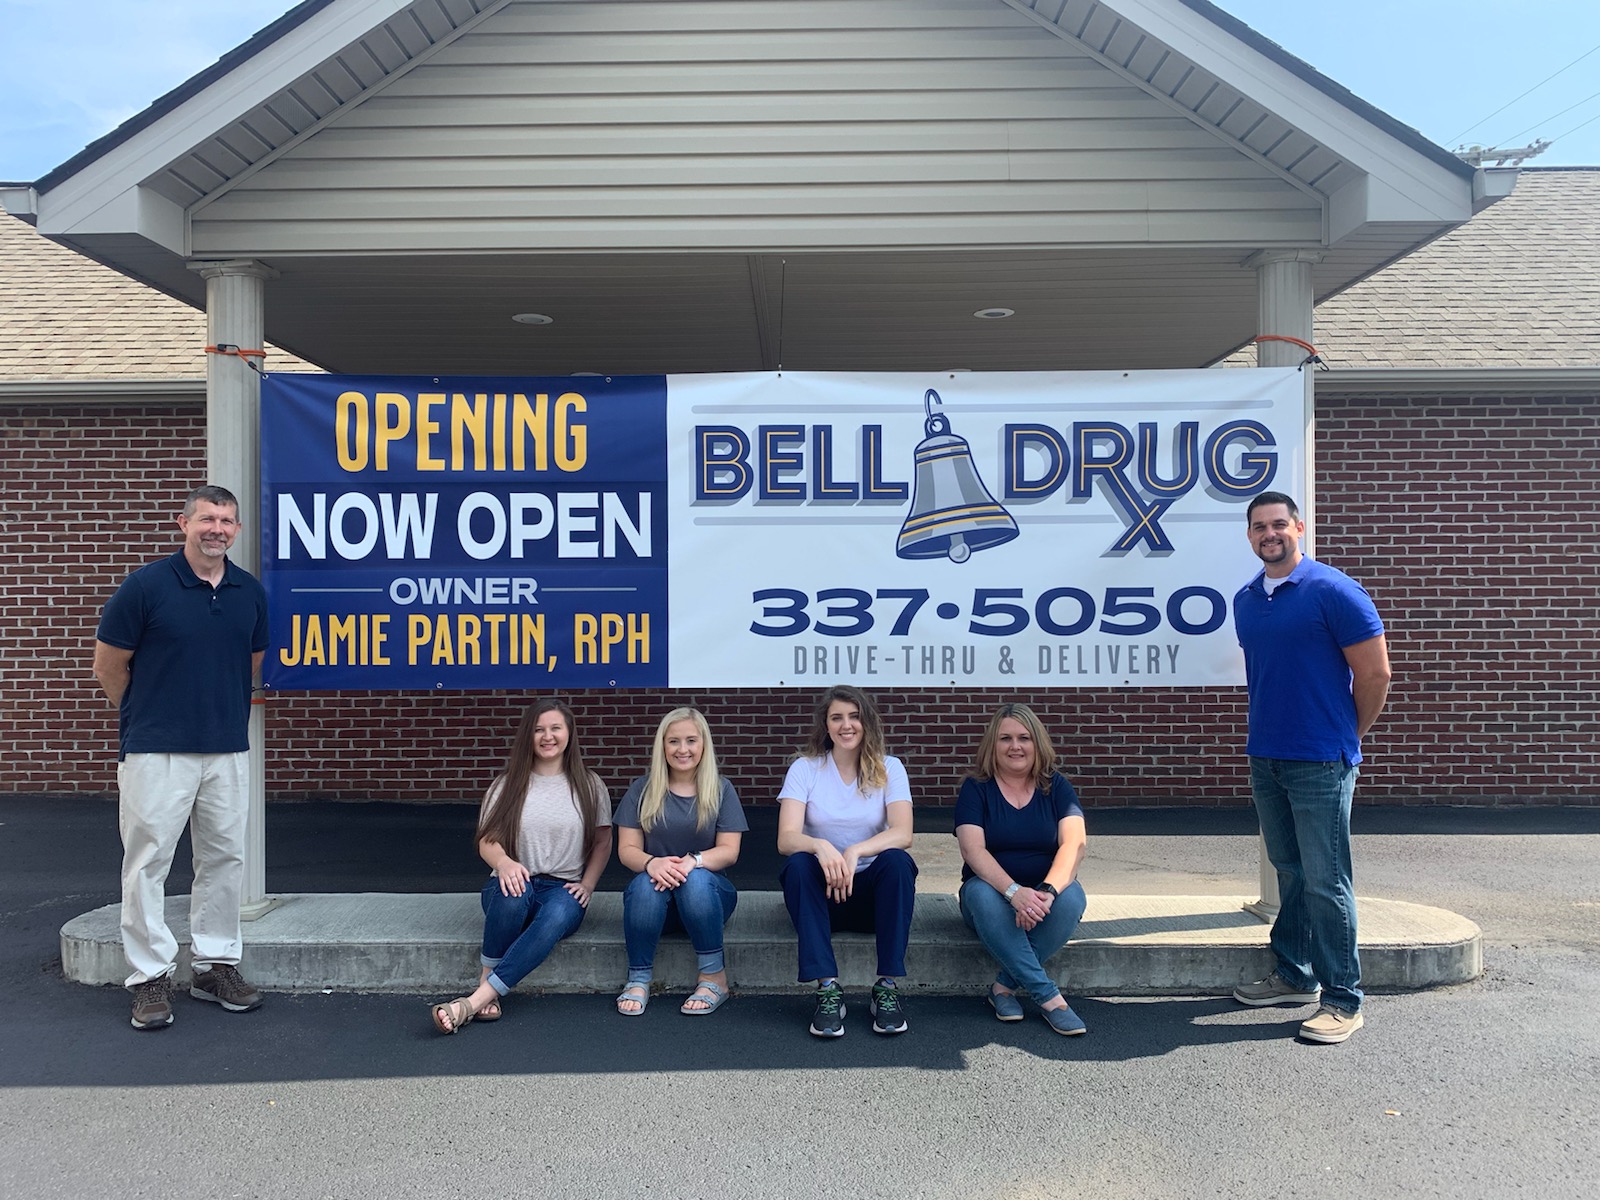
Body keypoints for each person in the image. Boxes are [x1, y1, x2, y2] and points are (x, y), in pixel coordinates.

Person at [92, 484, 270, 1031]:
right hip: (156, 748)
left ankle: (214, 966)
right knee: (148, 862)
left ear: (237, 530)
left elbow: (251, 662)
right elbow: (108, 666)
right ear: (184, 523)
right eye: (207, 519)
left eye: (227, 521)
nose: (217, 529)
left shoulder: (248, 591)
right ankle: (149, 976)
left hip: (226, 748)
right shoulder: (145, 587)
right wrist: (147, 714)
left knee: (224, 860)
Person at [1231, 490, 1391, 1045]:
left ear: (1299, 528)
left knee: (1326, 880)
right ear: (1250, 536)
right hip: (1266, 756)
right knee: (1290, 870)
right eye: (1259, 527)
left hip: (1321, 759)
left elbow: (1375, 675)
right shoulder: (1247, 599)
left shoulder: (1335, 591)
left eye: (1279, 524)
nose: (1269, 534)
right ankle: (1295, 975)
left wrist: (1347, 734)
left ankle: (1343, 999)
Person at [430, 698, 612, 1034]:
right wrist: (504, 863)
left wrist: (587, 884)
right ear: (528, 735)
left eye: (555, 728)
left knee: (556, 915)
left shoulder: (590, 785)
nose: (548, 736)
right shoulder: (507, 784)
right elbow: (487, 839)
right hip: (513, 882)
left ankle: (475, 999)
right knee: (514, 894)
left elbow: (603, 840)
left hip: (563, 888)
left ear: (569, 733)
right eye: (539, 729)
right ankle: (487, 982)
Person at [777, 685, 917, 1038]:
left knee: (898, 862)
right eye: (836, 717)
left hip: (871, 899)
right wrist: (819, 845)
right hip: (821, 898)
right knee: (798, 864)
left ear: (867, 722)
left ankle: (887, 987)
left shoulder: (890, 768)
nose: (846, 725)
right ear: (825, 725)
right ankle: (827, 989)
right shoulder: (805, 769)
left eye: (854, 717)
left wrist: (856, 851)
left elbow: (903, 832)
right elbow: (786, 838)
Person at [954, 703, 1089, 1035]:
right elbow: (972, 849)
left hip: (1042, 897)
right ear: (993, 744)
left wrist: (1047, 893)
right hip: (990, 895)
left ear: (1037, 743)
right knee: (981, 896)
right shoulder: (976, 788)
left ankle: (1003, 987)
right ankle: (1049, 998)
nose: (1015, 746)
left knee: (1072, 898)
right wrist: (1014, 893)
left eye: (1024, 738)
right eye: (1005, 739)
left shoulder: (1056, 786)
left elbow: (1074, 844)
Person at [613, 708, 747, 1016]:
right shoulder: (642, 789)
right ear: (662, 745)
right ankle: (638, 979)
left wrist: (693, 861)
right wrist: (652, 863)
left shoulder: (721, 789)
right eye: (673, 741)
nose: (682, 749)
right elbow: (627, 849)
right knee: (645, 883)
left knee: (695, 880)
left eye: (691, 740)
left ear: (703, 744)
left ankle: (713, 977)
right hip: (655, 902)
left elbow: (729, 851)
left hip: (708, 901)